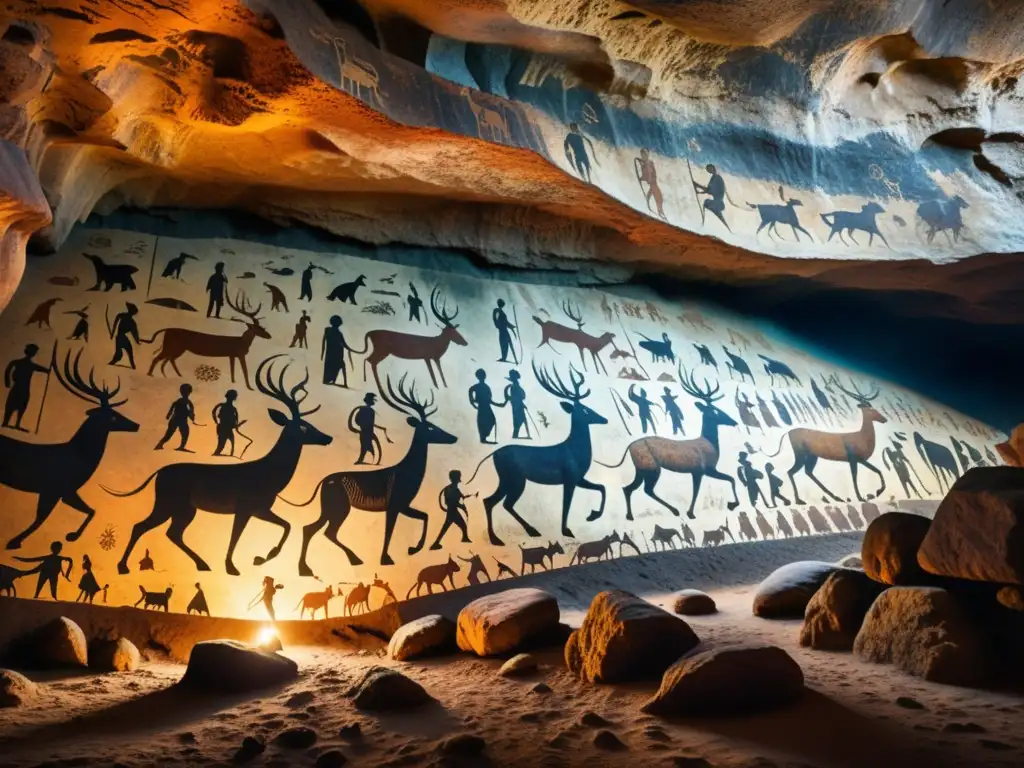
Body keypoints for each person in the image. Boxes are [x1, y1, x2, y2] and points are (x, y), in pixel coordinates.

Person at [3, 343, 48, 431]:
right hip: (18, 387)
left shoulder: (31, 365)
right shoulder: (18, 362)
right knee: (11, 404)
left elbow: (43, 369)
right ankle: (5, 422)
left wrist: (48, 370)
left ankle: (17, 424)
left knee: (22, 405)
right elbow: (8, 370)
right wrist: (7, 382)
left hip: (24, 388)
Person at [430, 470, 473, 550]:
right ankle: (436, 543)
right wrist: (461, 506)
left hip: (453, 511)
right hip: (452, 511)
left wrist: (469, 496)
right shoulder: (450, 489)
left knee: (459, 526)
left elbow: (461, 497)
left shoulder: (455, 488)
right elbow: (450, 502)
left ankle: (464, 538)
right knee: (449, 527)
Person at [349, 392, 390, 464]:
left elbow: (358, 420)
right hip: (367, 431)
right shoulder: (368, 411)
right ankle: (363, 460)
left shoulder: (365, 410)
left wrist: (363, 425)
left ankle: (364, 460)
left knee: (366, 447)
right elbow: (363, 421)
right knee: (366, 447)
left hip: (366, 431)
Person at [155, 383, 196, 451]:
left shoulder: (181, 401)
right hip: (179, 420)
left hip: (177, 420)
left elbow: (173, 407)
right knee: (175, 434)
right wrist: (192, 418)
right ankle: (161, 445)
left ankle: (161, 445)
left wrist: (168, 415)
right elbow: (190, 412)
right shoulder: (187, 402)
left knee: (181, 433)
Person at [694, 163, 731, 231]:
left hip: (718, 202)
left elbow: (709, 190)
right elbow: (710, 191)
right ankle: (728, 230)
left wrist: (697, 185)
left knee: (706, 203)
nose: (709, 170)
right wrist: (699, 191)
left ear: (713, 168)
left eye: (710, 168)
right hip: (717, 202)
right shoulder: (714, 178)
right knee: (720, 216)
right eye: (708, 169)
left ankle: (703, 223)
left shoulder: (717, 177)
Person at [468, 369, 501, 444]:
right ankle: (483, 438)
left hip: (487, 405)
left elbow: (489, 399)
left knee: (491, 420)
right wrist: (472, 401)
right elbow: (470, 390)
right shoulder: (478, 386)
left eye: (483, 375)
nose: (483, 376)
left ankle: (484, 436)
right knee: (483, 421)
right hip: (482, 406)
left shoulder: (486, 387)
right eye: (481, 375)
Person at [635, 148, 666, 219]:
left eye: (645, 154)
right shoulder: (645, 163)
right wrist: (642, 178)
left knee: (658, 201)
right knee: (651, 198)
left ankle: (661, 214)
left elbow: (648, 174)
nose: (643, 156)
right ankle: (658, 212)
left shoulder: (649, 163)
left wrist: (642, 178)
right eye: (642, 154)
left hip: (654, 185)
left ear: (647, 155)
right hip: (653, 185)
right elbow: (646, 174)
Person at [321, 314, 350, 387]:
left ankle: (330, 380)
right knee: (340, 366)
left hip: (330, 354)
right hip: (337, 354)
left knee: (330, 367)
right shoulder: (339, 334)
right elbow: (344, 345)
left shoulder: (327, 330)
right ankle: (343, 383)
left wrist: (322, 352)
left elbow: (323, 341)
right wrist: (351, 350)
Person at [109, 302, 140, 369]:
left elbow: (135, 333)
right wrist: (137, 340)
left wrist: (112, 333)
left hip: (120, 337)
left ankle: (133, 366)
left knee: (128, 351)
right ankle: (133, 366)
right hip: (121, 337)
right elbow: (135, 333)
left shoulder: (129, 320)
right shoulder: (131, 321)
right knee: (124, 352)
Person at [213, 389, 241, 456]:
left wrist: (237, 425)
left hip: (228, 429)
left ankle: (230, 455)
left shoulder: (234, 409)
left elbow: (236, 420)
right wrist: (216, 421)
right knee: (221, 444)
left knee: (232, 443)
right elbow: (214, 411)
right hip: (222, 428)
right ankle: (217, 454)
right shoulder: (222, 405)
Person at [503, 369, 530, 439]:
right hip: (516, 406)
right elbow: (516, 397)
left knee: (523, 420)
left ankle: (526, 435)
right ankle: (516, 435)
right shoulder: (514, 386)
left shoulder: (516, 385)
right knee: (519, 421)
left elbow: (520, 397)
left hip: (518, 405)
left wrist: (522, 404)